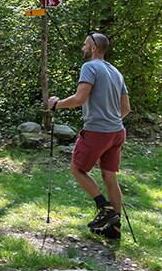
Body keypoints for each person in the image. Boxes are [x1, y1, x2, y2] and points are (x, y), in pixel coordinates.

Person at [46, 32, 130, 240]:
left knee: (77, 168)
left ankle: (106, 210)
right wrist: (111, 120)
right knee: (109, 176)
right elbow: (126, 108)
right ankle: (113, 228)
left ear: (93, 48)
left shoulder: (90, 67)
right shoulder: (116, 72)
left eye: (85, 44)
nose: (83, 48)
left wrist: (56, 104)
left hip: (97, 130)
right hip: (117, 131)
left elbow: (80, 98)